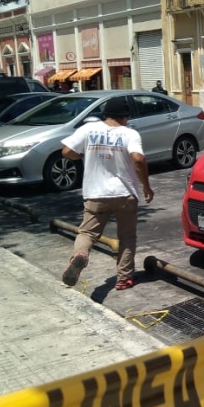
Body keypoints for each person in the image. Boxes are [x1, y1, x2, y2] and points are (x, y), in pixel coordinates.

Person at [59, 96, 154, 291]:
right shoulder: (129, 133)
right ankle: (124, 279)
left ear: (106, 114)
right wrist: (146, 186)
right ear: (125, 117)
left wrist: (82, 154)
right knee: (127, 237)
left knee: (87, 233)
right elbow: (138, 158)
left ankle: (80, 255)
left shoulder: (88, 129)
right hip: (125, 193)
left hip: (95, 193)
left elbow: (66, 151)